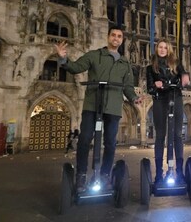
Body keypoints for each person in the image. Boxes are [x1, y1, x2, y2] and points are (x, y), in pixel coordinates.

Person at [55, 25, 142, 192]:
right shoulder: (95, 55)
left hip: (113, 108)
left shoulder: (125, 63)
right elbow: (76, 67)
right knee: (85, 139)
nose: (116, 38)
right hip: (92, 105)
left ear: (121, 40)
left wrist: (134, 98)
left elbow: (128, 87)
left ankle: (104, 175)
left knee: (110, 143)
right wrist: (63, 59)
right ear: (108, 37)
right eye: (113, 35)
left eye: (119, 36)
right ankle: (81, 175)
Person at [146, 38, 190, 183]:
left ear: (169, 49)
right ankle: (159, 173)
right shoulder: (151, 67)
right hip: (159, 99)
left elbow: (184, 76)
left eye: (165, 47)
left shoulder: (176, 65)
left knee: (177, 134)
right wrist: (155, 84)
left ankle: (179, 172)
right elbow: (150, 88)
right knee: (160, 135)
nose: (163, 49)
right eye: (160, 47)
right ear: (157, 49)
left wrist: (185, 77)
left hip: (175, 98)